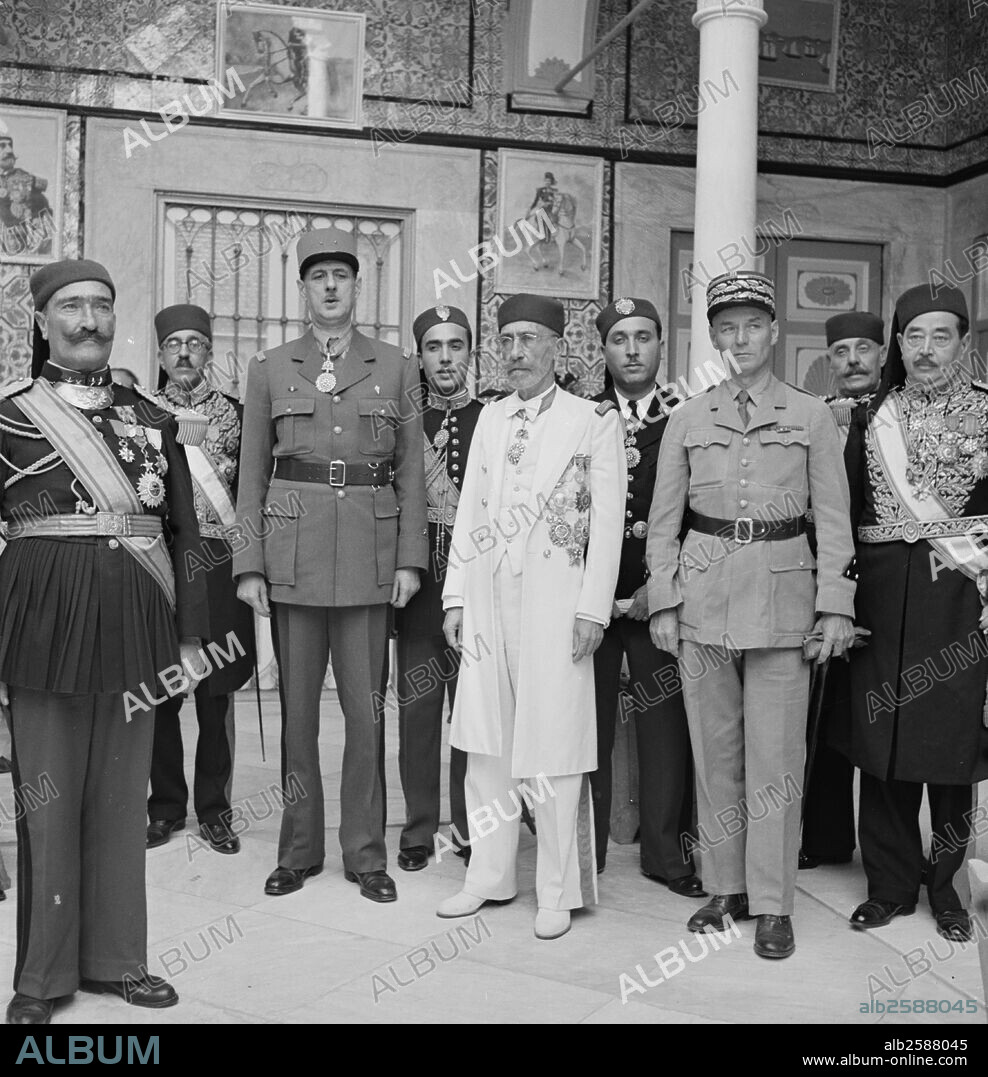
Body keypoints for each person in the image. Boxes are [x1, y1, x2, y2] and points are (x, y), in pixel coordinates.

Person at [0, 258, 208, 1024]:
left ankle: (120, 960)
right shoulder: (11, 415)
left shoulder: (152, 418)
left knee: (123, 799)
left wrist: (191, 638)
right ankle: (42, 977)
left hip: (137, 625)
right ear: (43, 320)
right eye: (72, 307)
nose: (89, 320)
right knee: (47, 807)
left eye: (101, 306)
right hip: (39, 628)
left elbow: (185, 533)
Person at [646, 270, 856, 960]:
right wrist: (665, 599)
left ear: (773, 331)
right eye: (726, 328)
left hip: (784, 600)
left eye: (752, 326)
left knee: (776, 758)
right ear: (714, 337)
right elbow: (663, 523)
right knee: (716, 753)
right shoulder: (687, 415)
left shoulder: (811, 415)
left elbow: (833, 519)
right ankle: (725, 885)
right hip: (703, 598)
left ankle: (771, 902)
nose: (741, 338)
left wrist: (835, 608)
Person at [234, 226, 427, 903]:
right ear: (303, 287)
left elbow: (411, 473)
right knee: (297, 716)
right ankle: (299, 848)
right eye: (318, 275)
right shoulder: (270, 367)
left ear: (356, 284)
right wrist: (249, 563)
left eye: (341, 274)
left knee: (367, 713)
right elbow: (250, 473)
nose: (330, 286)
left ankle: (366, 852)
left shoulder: (397, 366)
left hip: (370, 558)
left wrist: (410, 559)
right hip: (292, 554)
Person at [437, 293, 626, 941]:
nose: (515, 352)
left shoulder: (592, 420)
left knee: (555, 747)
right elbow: (469, 512)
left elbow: (606, 529)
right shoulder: (489, 417)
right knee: (487, 743)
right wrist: (457, 596)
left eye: (528, 339)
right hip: (492, 599)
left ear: (556, 347)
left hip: (556, 601)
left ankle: (557, 887)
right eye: (507, 339)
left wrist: (592, 608)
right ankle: (488, 876)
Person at [840, 284, 988, 943]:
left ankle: (949, 888)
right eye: (914, 337)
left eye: (941, 336)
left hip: (960, 595)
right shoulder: (868, 415)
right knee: (884, 746)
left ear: (964, 342)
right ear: (898, 344)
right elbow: (841, 515)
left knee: (953, 752)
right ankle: (890, 884)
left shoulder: (987, 414)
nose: (926, 350)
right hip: (882, 597)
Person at [589, 297, 703, 896]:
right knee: (587, 728)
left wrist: (656, 592)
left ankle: (666, 855)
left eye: (643, 337)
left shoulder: (688, 415)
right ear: (602, 349)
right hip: (592, 605)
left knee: (666, 732)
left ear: (662, 345)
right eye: (618, 339)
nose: (631, 350)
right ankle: (587, 850)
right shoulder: (582, 417)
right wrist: (596, 596)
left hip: (659, 602)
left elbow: (692, 513)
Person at [145, 304, 256, 855]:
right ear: (161, 353)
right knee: (162, 690)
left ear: (210, 351)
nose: (185, 352)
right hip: (161, 567)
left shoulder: (238, 415)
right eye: (174, 344)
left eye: (195, 343)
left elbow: (254, 492)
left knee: (215, 694)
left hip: (217, 567)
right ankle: (164, 807)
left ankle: (215, 810)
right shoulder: (137, 416)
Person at [799, 311, 886, 872]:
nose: (851, 360)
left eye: (862, 349)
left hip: (884, 587)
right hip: (822, 580)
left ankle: (890, 855)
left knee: (879, 723)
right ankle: (826, 840)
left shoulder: (901, 416)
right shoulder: (814, 417)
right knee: (823, 718)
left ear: (882, 354)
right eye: (840, 352)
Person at [395, 304, 480, 872]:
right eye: (433, 347)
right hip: (421, 588)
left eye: (455, 345)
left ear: (470, 352)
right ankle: (419, 829)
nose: (445, 357)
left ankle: (474, 827)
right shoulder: (404, 422)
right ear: (420, 356)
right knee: (418, 717)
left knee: (472, 720)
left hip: (477, 590)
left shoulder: (494, 418)